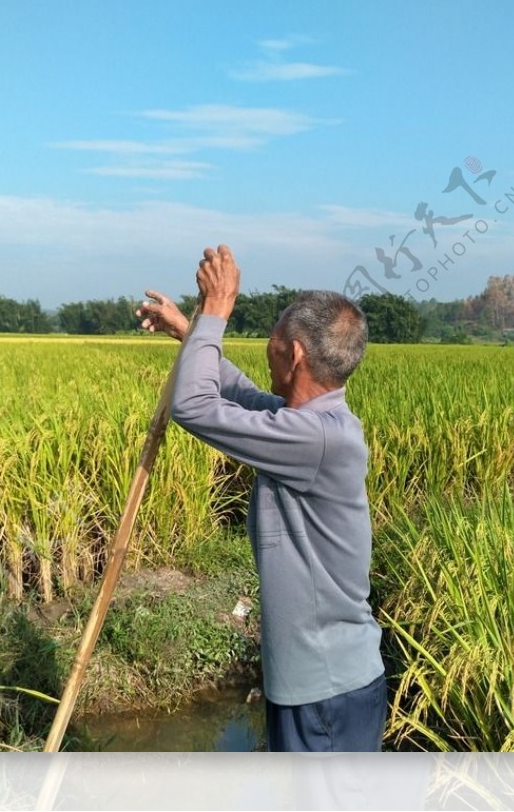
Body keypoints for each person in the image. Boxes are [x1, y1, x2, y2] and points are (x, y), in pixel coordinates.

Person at [136, 243, 386, 752]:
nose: (266, 350)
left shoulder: (315, 439)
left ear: (292, 354)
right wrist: (191, 332)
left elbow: (196, 406)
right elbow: (243, 396)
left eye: (271, 341)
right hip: (318, 684)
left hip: (326, 693)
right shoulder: (314, 424)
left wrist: (217, 311)